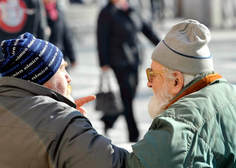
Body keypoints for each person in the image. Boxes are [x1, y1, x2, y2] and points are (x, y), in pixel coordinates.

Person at [0, 32, 127, 167]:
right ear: (41, 77)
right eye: (62, 69)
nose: (68, 77)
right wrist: (78, 126)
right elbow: (114, 162)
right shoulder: (64, 122)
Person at [124, 19, 236, 167]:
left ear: (176, 81)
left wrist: (82, 129)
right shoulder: (231, 91)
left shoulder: (178, 125)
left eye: (152, 74)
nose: (149, 83)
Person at [96, 0, 161, 142]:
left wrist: (163, 46)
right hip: (118, 61)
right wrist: (104, 63)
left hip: (135, 60)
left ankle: (110, 118)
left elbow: (146, 29)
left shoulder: (132, 9)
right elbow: (101, 38)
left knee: (129, 96)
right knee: (127, 98)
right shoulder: (106, 12)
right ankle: (134, 133)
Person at [43, 0, 77, 69]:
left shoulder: (59, 12)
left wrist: (72, 58)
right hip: (45, 58)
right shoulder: (38, 12)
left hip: (60, 57)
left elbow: (66, 35)